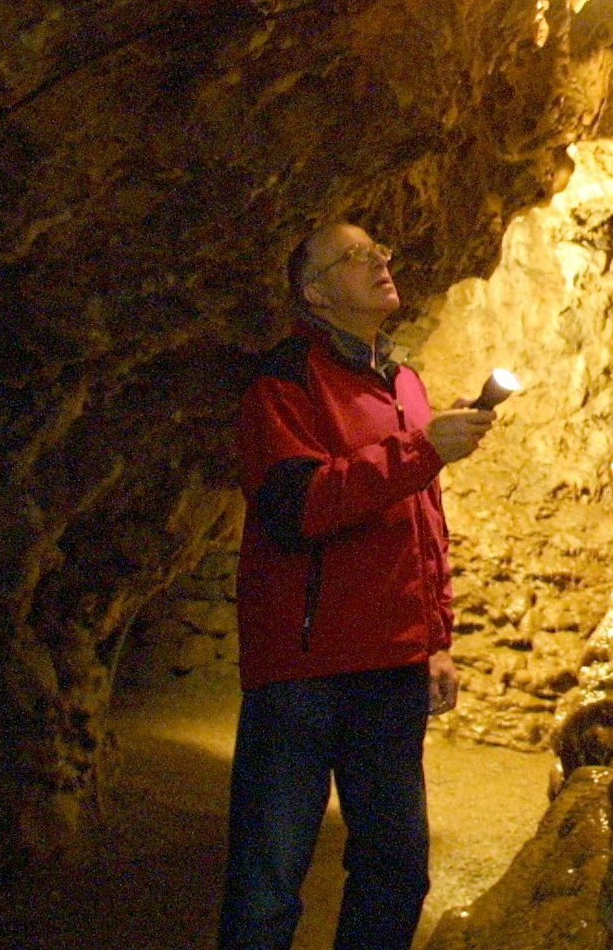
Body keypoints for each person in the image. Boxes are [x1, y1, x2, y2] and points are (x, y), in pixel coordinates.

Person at [219, 223, 495, 950]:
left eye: (382, 249)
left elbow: (422, 521)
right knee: (270, 882)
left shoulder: (403, 382)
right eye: (356, 256)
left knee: (397, 869)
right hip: (305, 672)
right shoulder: (283, 381)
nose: (381, 260)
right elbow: (297, 506)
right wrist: (422, 448)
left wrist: (436, 639)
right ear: (315, 293)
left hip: (391, 667)